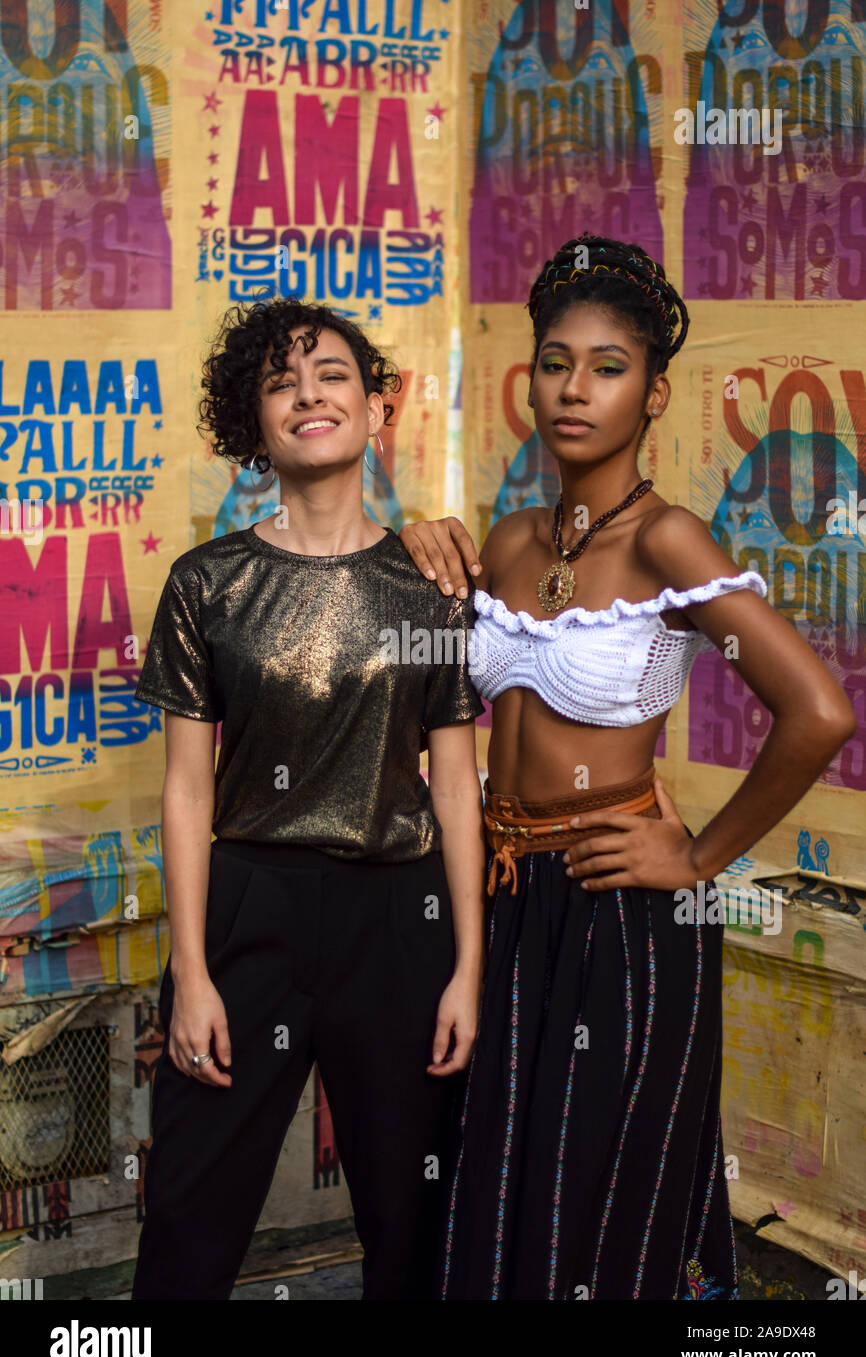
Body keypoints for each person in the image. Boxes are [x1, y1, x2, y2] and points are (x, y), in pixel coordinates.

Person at [397, 233, 857, 1300]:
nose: (574, 388)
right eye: (555, 362)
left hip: (613, 904)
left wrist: (695, 854)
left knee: (592, 1194)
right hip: (500, 902)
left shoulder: (669, 545)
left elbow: (817, 710)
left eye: (608, 367)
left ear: (653, 395)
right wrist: (415, 539)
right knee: (497, 1172)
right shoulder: (505, 542)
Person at [130, 299, 486, 1301]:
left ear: (377, 407)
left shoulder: (429, 586)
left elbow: (454, 785)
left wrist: (466, 965)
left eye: (331, 374)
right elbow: (187, 785)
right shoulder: (207, 583)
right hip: (249, 910)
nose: (308, 394)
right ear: (254, 426)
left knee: (409, 1216)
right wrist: (190, 972)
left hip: (398, 917)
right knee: (190, 1217)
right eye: (281, 382)